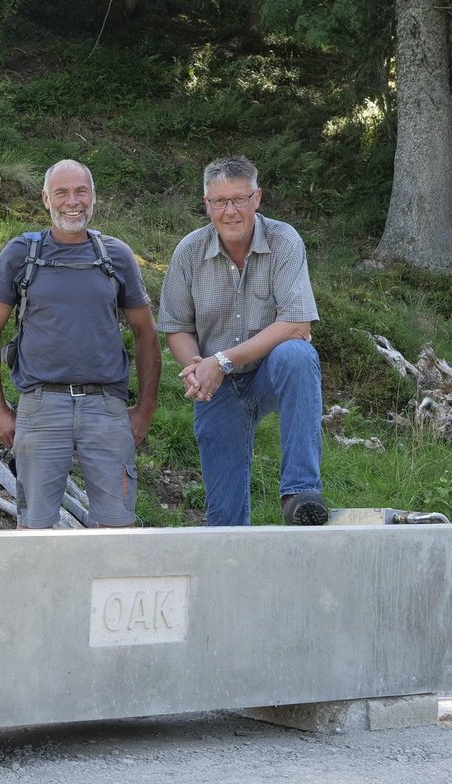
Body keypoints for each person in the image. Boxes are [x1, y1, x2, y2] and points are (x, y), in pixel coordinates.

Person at [0, 159, 160, 529]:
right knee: (35, 530)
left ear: (93, 198)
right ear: (45, 198)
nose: (72, 201)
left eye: (81, 192)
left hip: (106, 408)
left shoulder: (117, 256)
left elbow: (146, 334)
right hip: (41, 407)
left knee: (116, 530)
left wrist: (145, 409)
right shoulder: (20, 255)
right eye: (61, 192)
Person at [156, 155, 327, 526]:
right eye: (220, 201)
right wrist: (196, 369)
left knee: (298, 356)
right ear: (207, 206)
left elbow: (297, 324)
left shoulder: (284, 241)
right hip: (218, 388)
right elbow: (177, 325)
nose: (230, 211)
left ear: (257, 198)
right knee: (224, 520)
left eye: (239, 199)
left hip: (269, 373)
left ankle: (300, 492)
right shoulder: (188, 251)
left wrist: (220, 361)